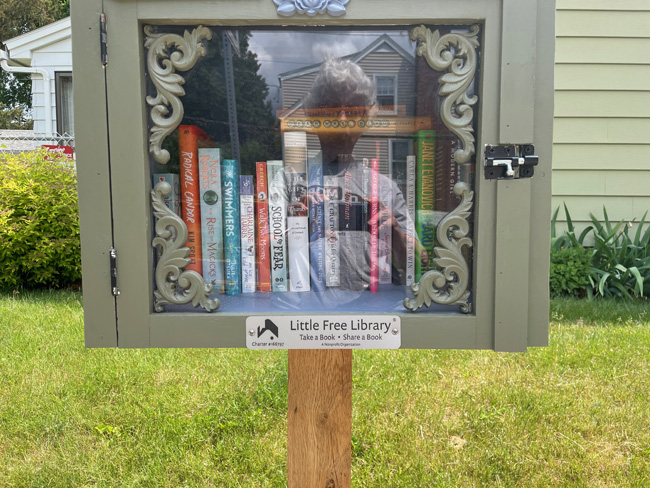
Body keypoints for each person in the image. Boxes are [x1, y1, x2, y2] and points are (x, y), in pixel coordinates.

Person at [301, 57, 418, 291]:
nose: (343, 122)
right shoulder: (289, 182)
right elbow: (258, 257)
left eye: (354, 111)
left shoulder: (385, 187)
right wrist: (295, 224)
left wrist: (393, 232)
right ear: (314, 118)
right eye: (332, 109)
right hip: (305, 319)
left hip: (373, 319)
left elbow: (418, 264)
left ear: (365, 120)